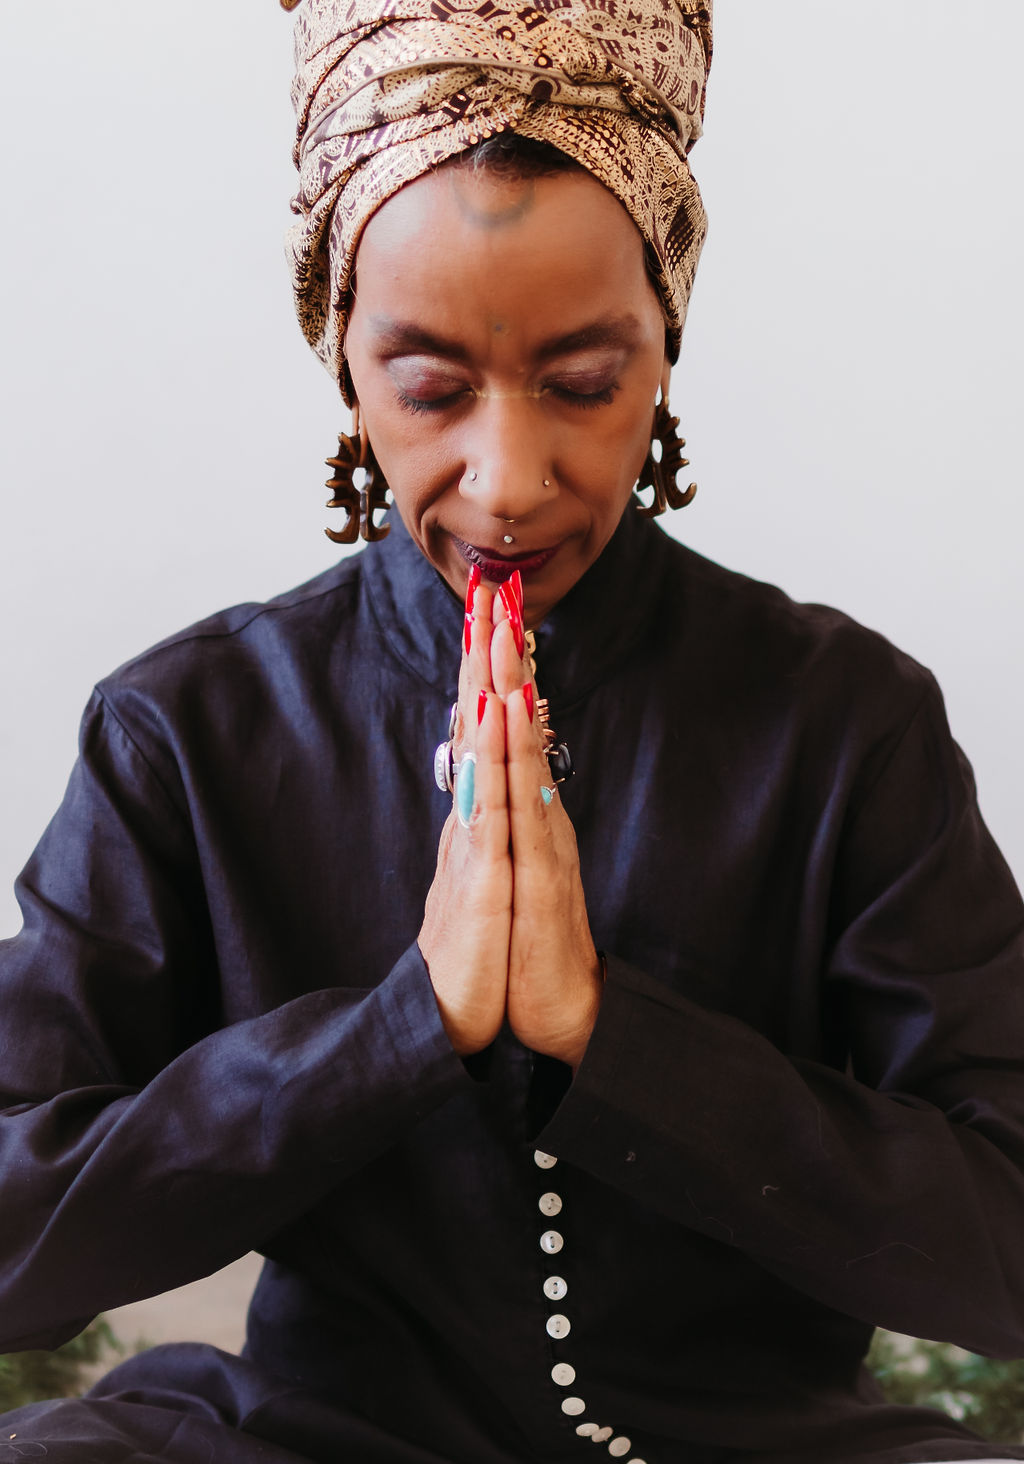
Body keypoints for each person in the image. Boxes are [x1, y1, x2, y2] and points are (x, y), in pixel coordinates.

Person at [1, 2, 1024, 1462]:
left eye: (582, 384)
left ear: (663, 347)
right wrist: (399, 1028)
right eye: (429, 390)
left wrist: (614, 1040)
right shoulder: (186, 728)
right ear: (344, 367)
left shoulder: (848, 721)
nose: (505, 477)